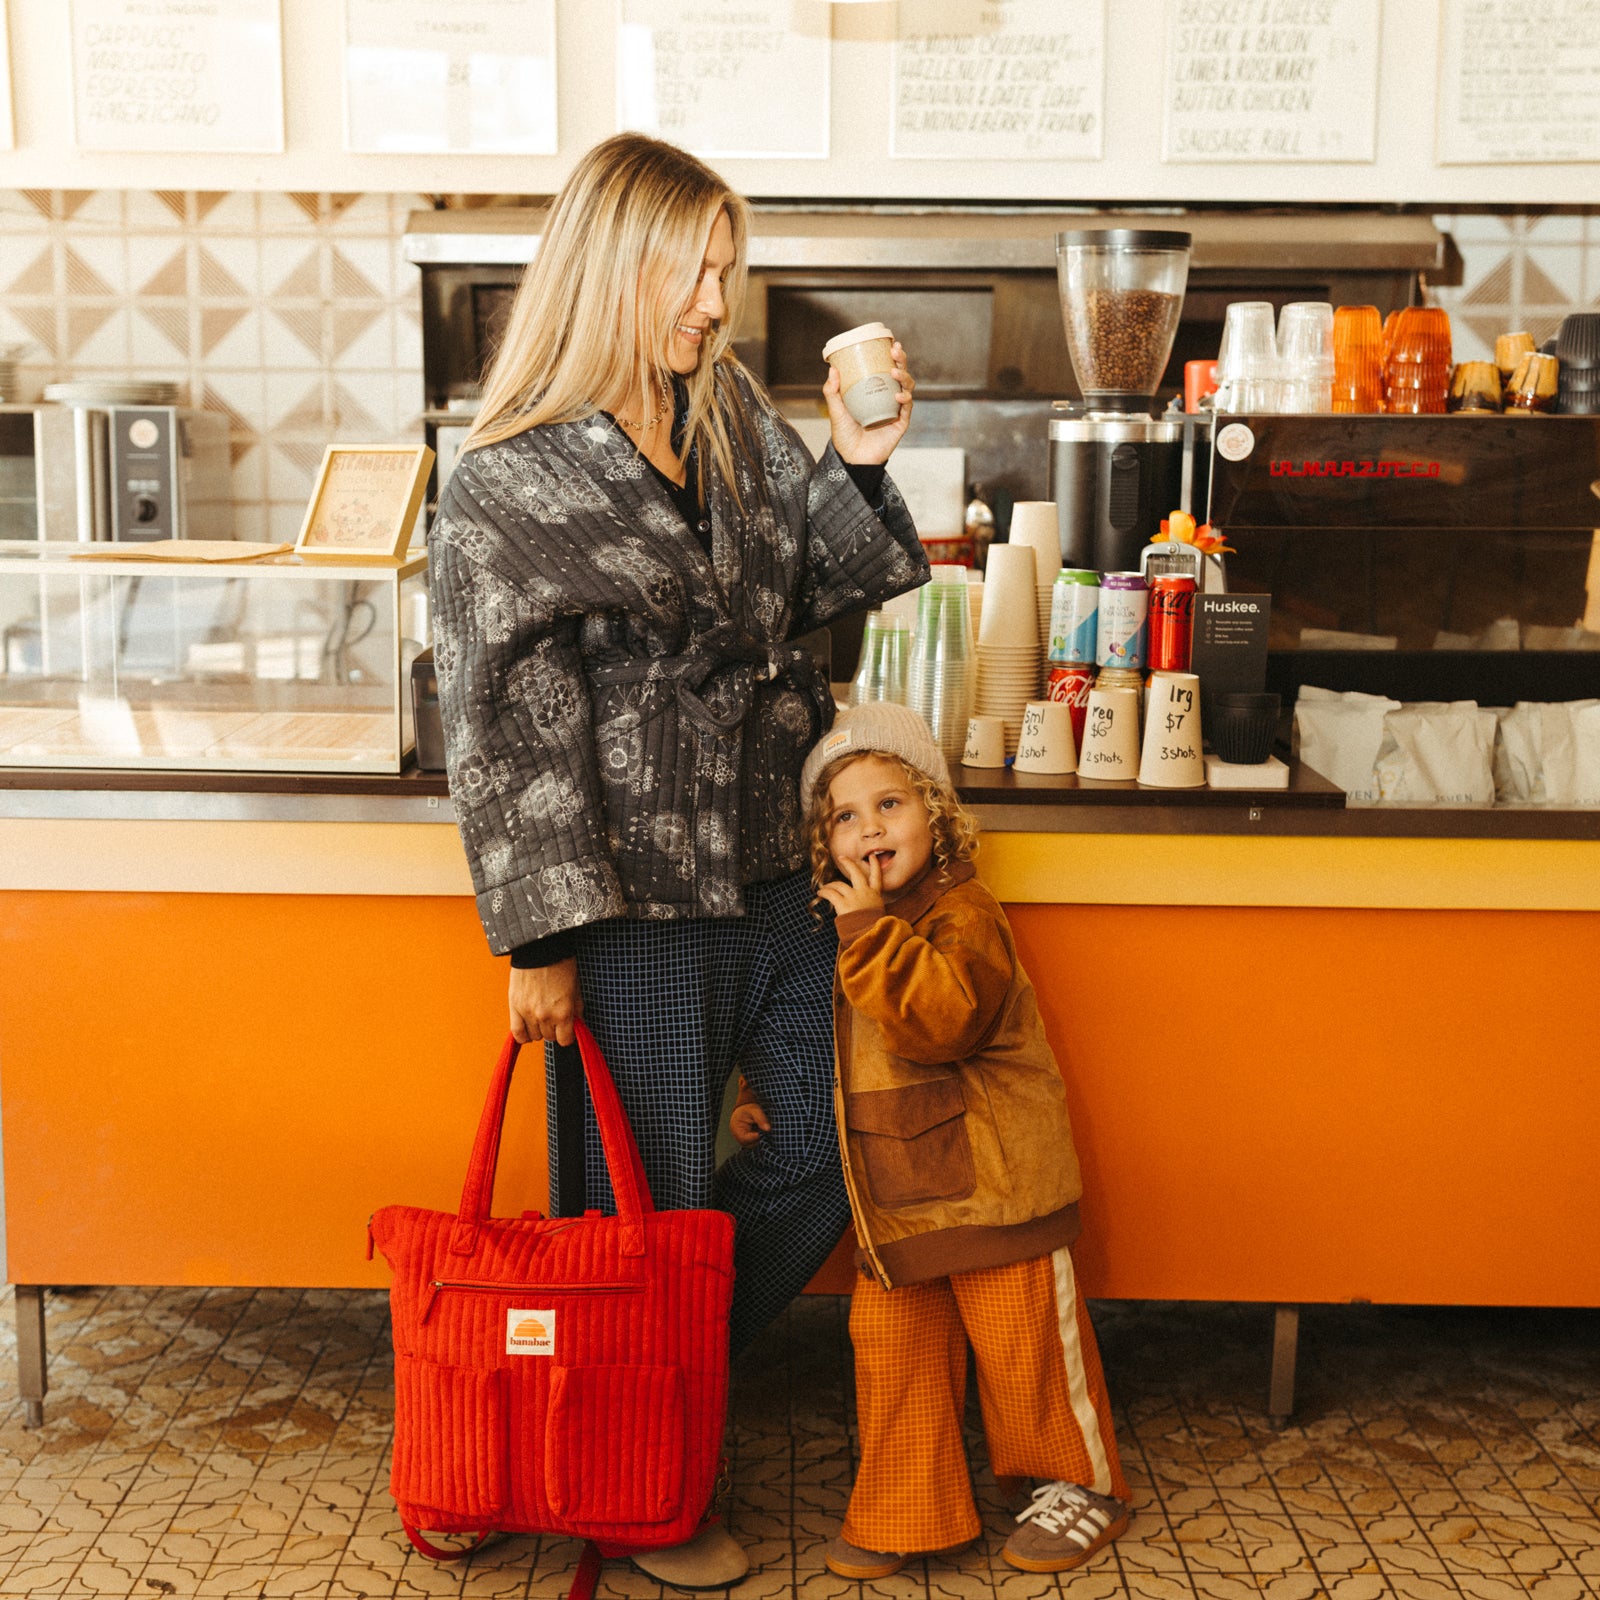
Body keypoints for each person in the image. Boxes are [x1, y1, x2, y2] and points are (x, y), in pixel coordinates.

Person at [427, 134, 926, 1586]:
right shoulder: (508, 479)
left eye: (727, 266)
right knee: (622, 1213)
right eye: (691, 267)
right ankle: (637, 1488)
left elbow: (817, 581)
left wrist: (860, 461)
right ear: (611, 264)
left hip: (775, 871)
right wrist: (537, 944)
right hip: (631, 901)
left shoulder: (733, 427)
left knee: (834, 1149)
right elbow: (505, 720)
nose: (716, 298)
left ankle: (631, 1387)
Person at [737, 701, 1130, 1578]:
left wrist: (866, 930)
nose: (868, 827)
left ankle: (1077, 1483)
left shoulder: (964, 912)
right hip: (897, 1197)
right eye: (844, 816)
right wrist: (763, 1094)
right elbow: (828, 1034)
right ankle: (910, 1503)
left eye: (890, 804)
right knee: (894, 1359)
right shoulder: (853, 920)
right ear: (824, 844)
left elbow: (941, 1020)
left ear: (937, 816)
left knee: (1024, 1346)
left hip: (994, 1189)